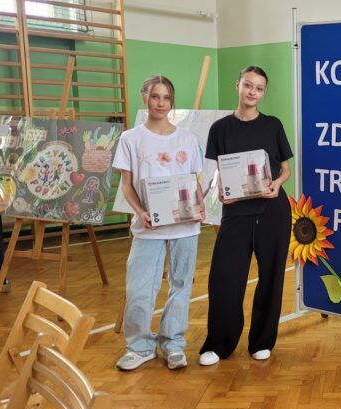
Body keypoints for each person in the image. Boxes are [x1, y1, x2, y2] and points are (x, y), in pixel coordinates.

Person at [198, 66, 293, 366]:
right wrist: (220, 191)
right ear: (237, 85)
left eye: (259, 88)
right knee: (225, 278)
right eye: (248, 85)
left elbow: (285, 169)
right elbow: (218, 172)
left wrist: (277, 184)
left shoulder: (273, 125)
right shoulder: (220, 128)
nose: (253, 92)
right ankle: (219, 344)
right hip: (236, 213)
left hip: (273, 212)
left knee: (271, 278)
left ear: (263, 92)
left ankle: (262, 342)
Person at [112, 75, 204, 371]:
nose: (161, 103)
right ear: (145, 98)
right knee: (139, 289)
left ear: (172, 101)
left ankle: (173, 343)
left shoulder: (188, 139)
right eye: (155, 96)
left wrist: (200, 205)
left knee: (181, 285)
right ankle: (139, 346)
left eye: (166, 97)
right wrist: (140, 211)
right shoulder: (130, 139)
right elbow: (127, 185)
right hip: (147, 227)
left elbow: (193, 182)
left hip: (185, 225)